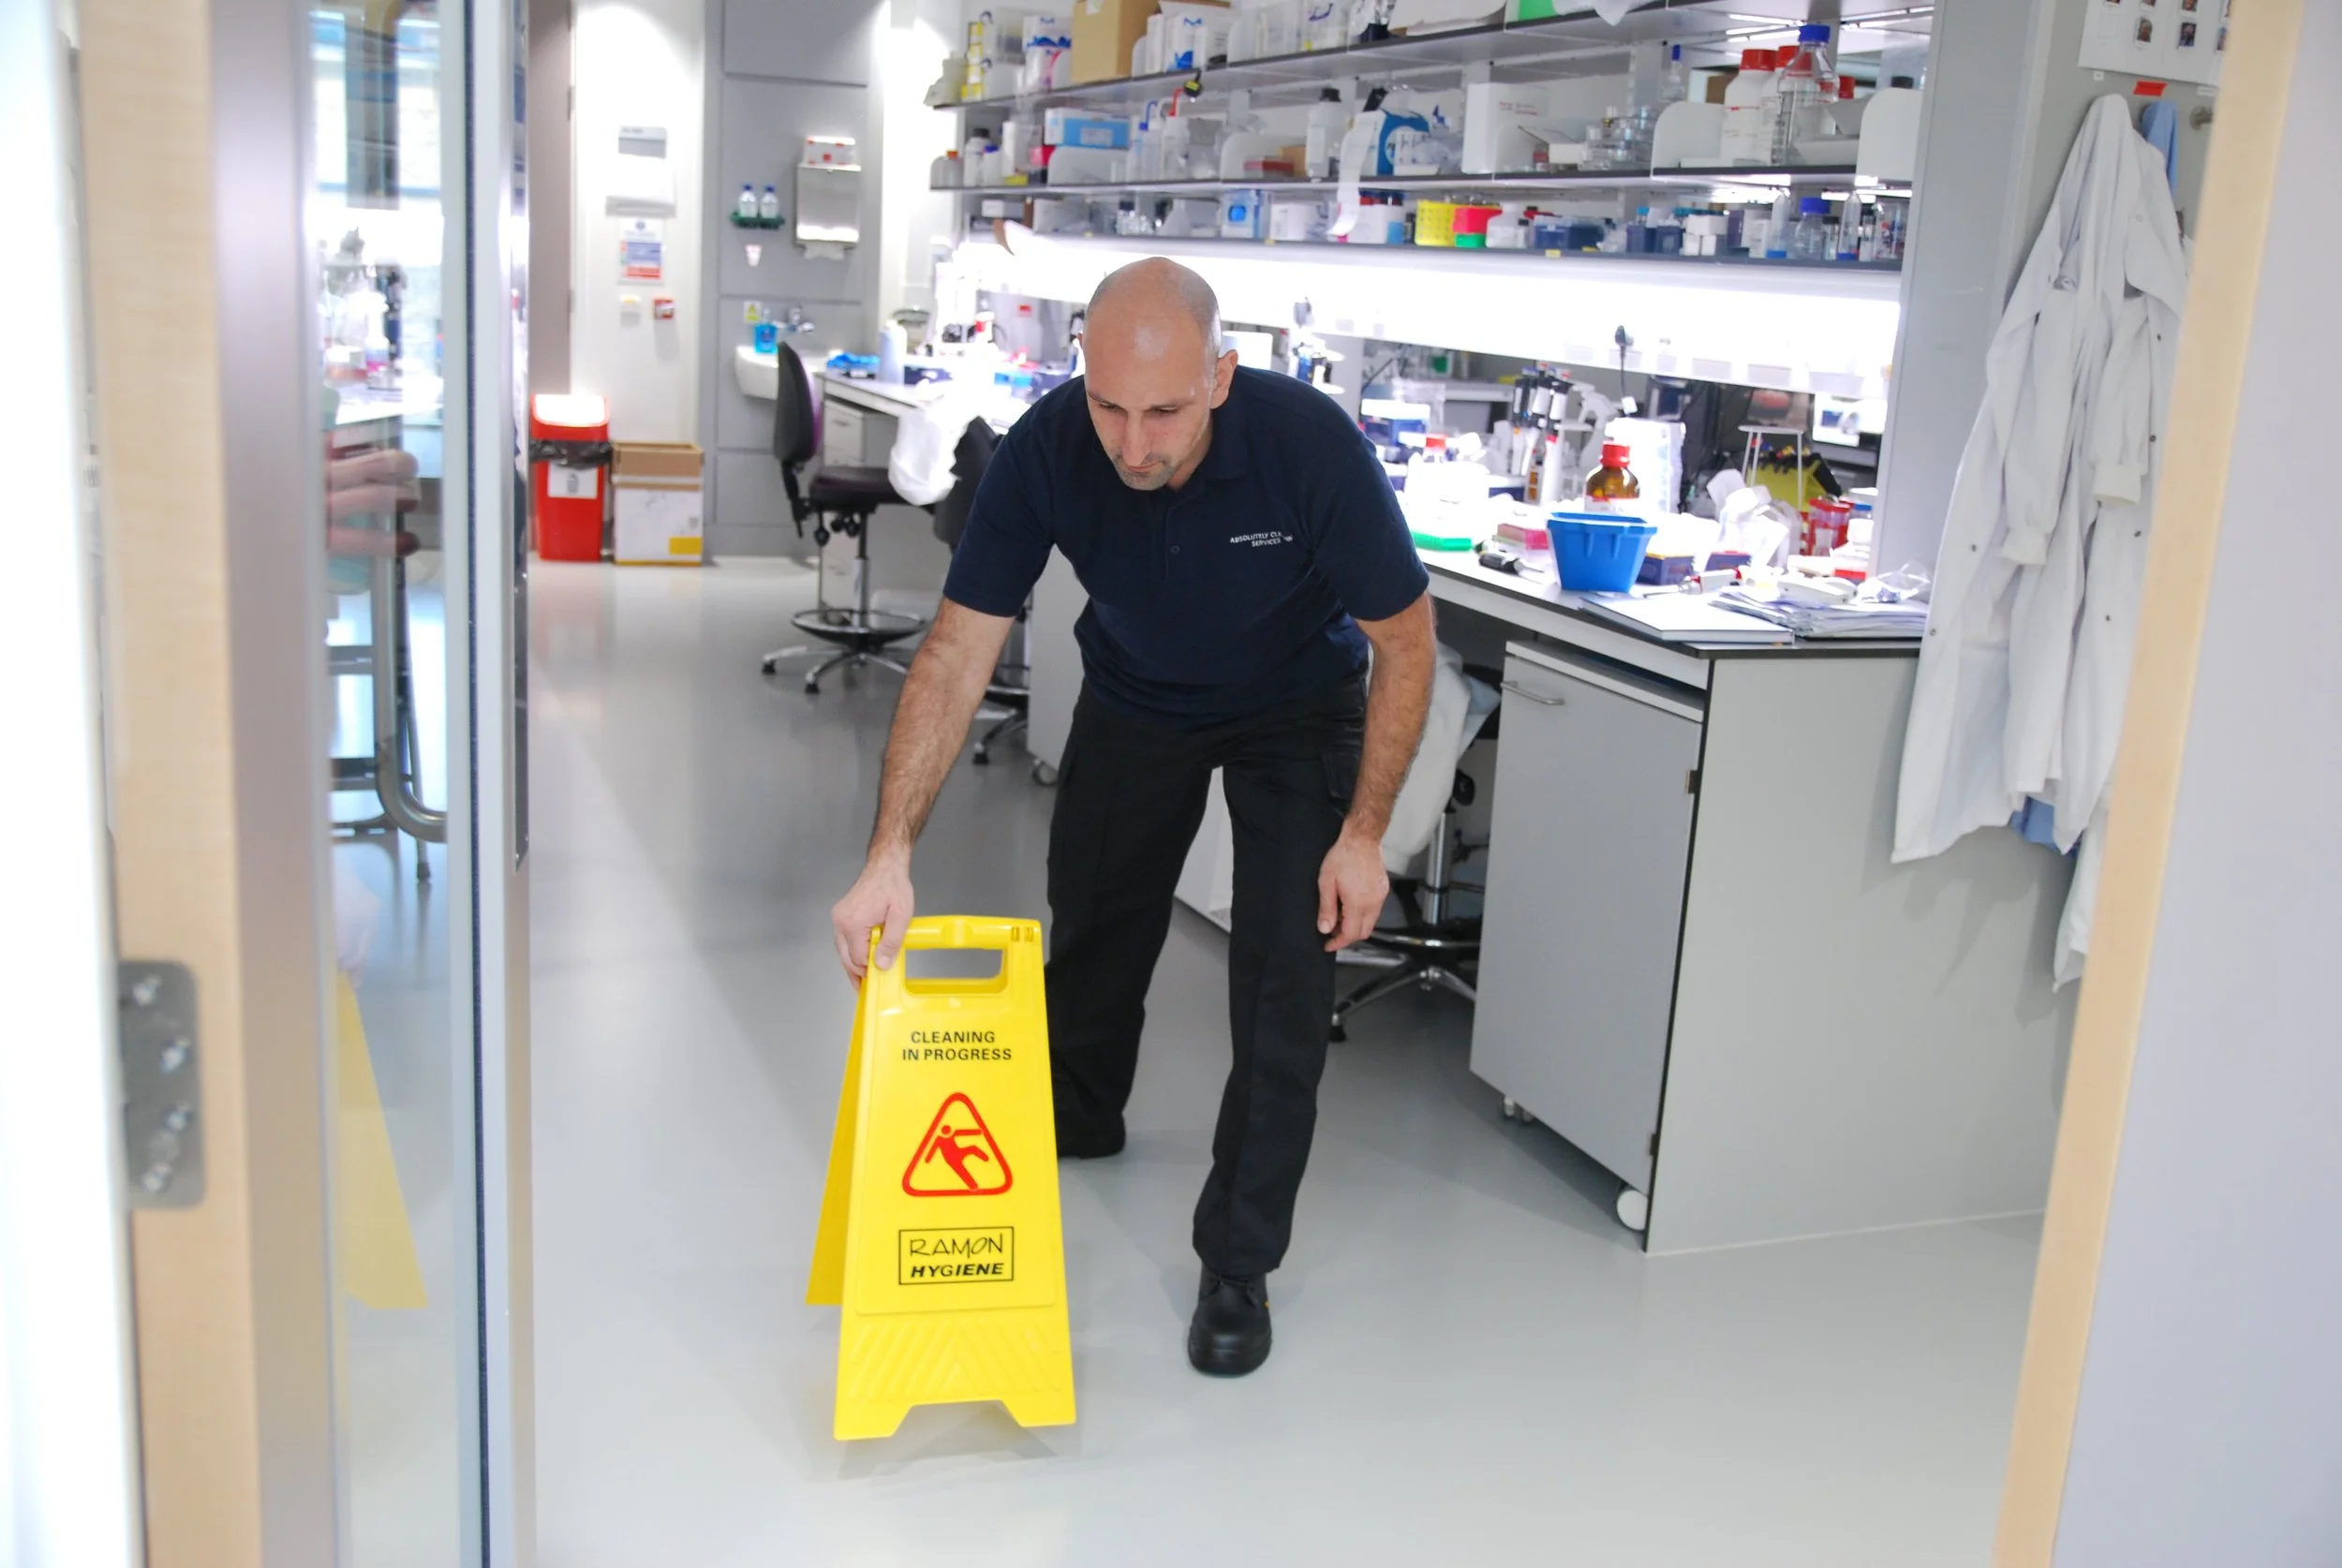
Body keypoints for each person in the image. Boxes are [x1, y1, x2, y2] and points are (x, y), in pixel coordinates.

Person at [830, 258, 1435, 1376]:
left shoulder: (1307, 449)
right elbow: (960, 647)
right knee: (1097, 925)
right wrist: (889, 853)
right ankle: (1083, 1108)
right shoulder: (1050, 449)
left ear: (1220, 375)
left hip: (1293, 712)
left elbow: (1405, 639)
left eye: (1163, 411)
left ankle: (1237, 1263)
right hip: (1136, 695)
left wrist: (1364, 833)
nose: (1133, 442)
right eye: (1109, 405)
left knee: (1282, 982)